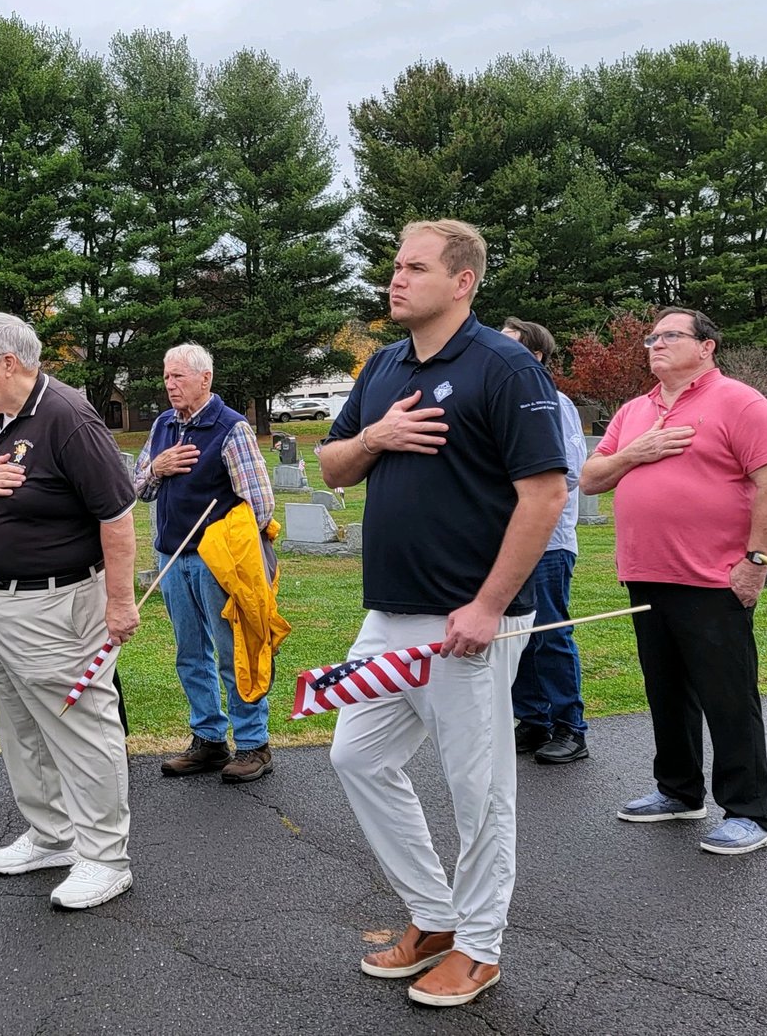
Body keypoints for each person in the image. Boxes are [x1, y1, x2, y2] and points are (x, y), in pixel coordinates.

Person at [318, 220, 567, 1008]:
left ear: (462, 282)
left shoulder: (504, 365)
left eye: (415, 267)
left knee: (478, 787)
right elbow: (331, 462)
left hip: (469, 621)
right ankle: (434, 915)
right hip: (388, 612)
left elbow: (545, 494)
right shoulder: (385, 364)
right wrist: (378, 434)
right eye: (394, 265)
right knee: (355, 755)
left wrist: (490, 604)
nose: (396, 279)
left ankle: (481, 945)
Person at [0, 313, 139, 911]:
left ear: (9, 362)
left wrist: (120, 601)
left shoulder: (68, 418)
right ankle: (53, 835)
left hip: (55, 605)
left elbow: (117, 515)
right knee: (19, 729)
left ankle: (105, 858)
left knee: (83, 730)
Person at [581, 307, 767, 855]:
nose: (654, 344)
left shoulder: (741, 402)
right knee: (666, 691)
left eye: (670, 336)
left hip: (714, 577)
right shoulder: (633, 411)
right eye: (651, 337)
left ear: (707, 346)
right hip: (646, 572)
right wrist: (636, 452)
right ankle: (679, 791)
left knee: (728, 694)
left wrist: (756, 561)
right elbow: (590, 478)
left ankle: (749, 812)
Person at [133, 343, 284, 782]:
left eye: (178, 376)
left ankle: (254, 745)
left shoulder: (231, 428)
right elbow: (139, 489)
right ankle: (209, 741)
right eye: (166, 377)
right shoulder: (162, 426)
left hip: (218, 562)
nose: (170, 385)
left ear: (205, 379)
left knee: (234, 652)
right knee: (190, 654)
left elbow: (260, 503)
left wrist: (226, 544)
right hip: (171, 557)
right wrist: (157, 468)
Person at [500, 318, 590, 764]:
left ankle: (570, 726)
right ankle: (533, 721)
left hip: (548, 542)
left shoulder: (554, 403)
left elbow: (570, 471)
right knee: (517, 633)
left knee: (550, 634)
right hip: (504, 542)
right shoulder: (498, 401)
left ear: (534, 356)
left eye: (509, 346)